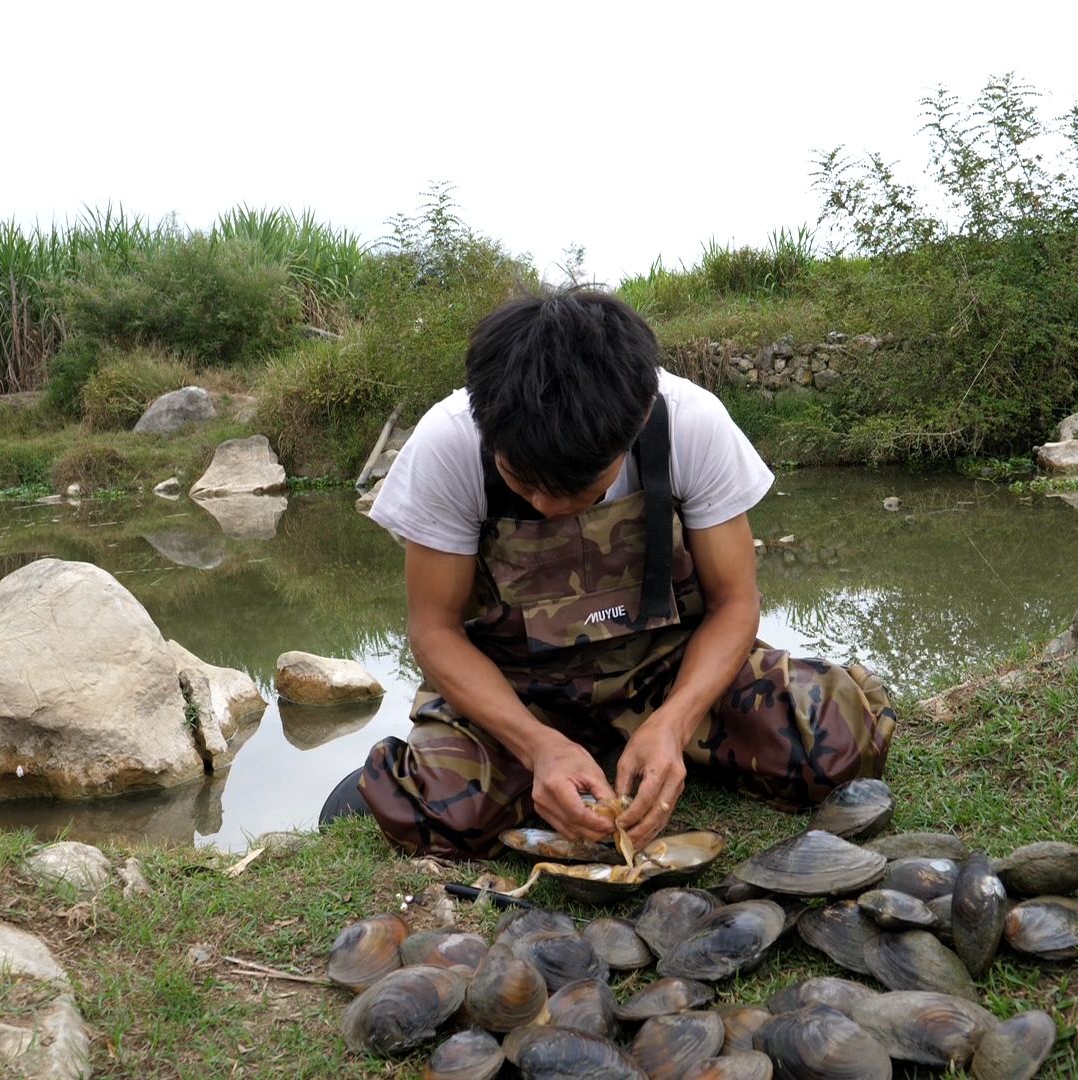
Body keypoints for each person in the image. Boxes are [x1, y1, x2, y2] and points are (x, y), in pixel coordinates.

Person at [321, 288, 895, 859]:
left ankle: (663, 751)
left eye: (580, 491)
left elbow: (735, 604)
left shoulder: (689, 422)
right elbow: (435, 631)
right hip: (521, 688)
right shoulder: (447, 443)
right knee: (438, 820)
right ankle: (549, 763)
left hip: (668, 668)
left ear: (638, 418)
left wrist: (674, 721)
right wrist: (537, 744)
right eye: (523, 484)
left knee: (838, 749)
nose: (547, 508)